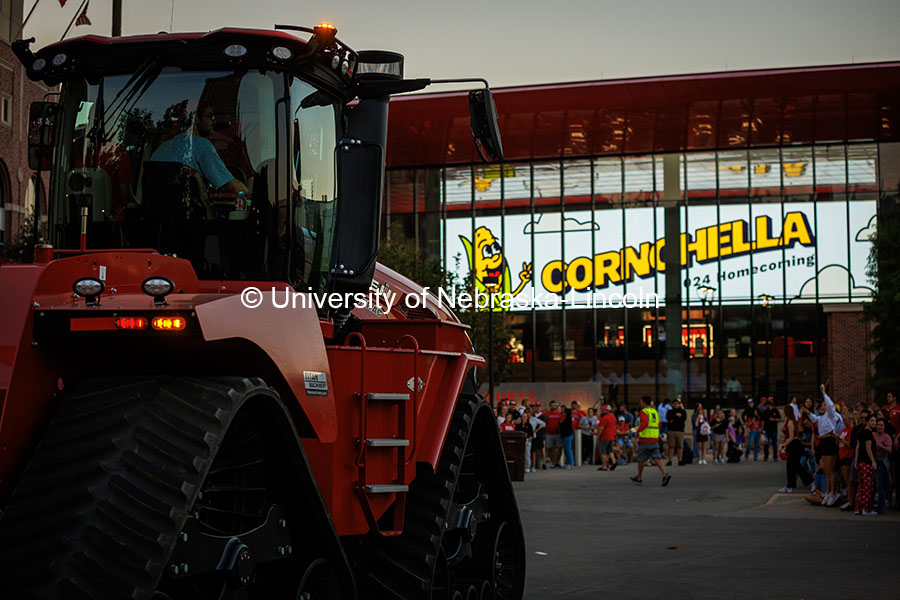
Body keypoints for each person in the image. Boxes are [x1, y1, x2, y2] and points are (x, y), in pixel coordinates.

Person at [150, 104, 250, 195]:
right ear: (196, 118)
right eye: (210, 116)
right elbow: (231, 185)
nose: (214, 121)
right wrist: (251, 197)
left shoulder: (164, 147)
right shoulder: (202, 145)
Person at [630, 396, 671, 486]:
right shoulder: (654, 412)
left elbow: (644, 423)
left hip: (645, 439)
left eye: (641, 402)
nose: (640, 403)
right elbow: (659, 424)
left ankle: (639, 477)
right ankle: (665, 474)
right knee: (657, 458)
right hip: (654, 439)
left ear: (644, 403)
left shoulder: (644, 412)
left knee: (640, 459)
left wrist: (638, 431)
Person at [815, 384, 843, 507]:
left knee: (831, 470)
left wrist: (824, 393)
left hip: (830, 441)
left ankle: (833, 492)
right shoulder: (822, 417)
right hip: (823, 442)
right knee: (826, 470)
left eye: (824, 404)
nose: (823, 406)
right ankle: (827, 491)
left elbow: (831, 405)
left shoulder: (832, 415)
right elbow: (815, 419)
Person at [778, 402, 813, 493]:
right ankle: (793, 484)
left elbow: (791, 437)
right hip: (794, 445)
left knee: (792, 466)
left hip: (794, 445)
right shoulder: (791, 421)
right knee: (795, 466)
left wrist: (783, 445)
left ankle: (792, 485)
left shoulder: (790, 422)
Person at [854, 414, 878, 515]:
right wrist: (873, 461)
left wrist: (856, 461)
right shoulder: (868, 433)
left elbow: (858, 447)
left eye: (875, 421)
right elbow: (868, 448)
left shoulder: (861, 433)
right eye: (872, 421)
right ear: (867, 422)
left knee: (861, 486)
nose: (874, 423)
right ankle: (866, 508)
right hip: (866, 462)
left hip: (860, 462)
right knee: (868, 486)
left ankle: (859, 507)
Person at [873, 418, 893, 512]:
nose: (879, 427)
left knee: (880, 484)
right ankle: (870, 504)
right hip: (871, 460)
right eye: (878, 425)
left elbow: (889, 450)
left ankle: (881, 506)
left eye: (881, 425)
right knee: (871, 484)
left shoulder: (886, 437)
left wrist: (880, 446)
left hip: (881, 461)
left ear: (884, 427)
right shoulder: (872, 435)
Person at [666, 398, 687, 466]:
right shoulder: (670, 411)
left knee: (680, 446)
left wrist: (675, 418)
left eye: (677, 404)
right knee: (671, 446)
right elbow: (669, 419)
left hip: (680, 431)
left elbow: (683, 419)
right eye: (674, 404)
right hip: (671, 430)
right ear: (672, 404)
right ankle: (670, 460)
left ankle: (680, 460)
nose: (676, 405)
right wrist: (676, 416)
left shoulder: (683, 411)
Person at [596, 404, 617, 471]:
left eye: (603, 409)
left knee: (603, 452)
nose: (602, 410)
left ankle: (604, 466)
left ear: (607, 410)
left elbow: (601, 428)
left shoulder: (604, 418)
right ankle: (614, 462)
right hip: (611, 436)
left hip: (604, 437)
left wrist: (598, 435)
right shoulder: (613, 417)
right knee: (610, 450)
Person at [541, 401, 563, 468]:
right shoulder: (546, 414)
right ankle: (553, 462)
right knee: (550, 448)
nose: (553, 406)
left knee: (559, 448)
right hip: (549, 433)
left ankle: (558, 462)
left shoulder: (559, 414)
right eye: (552, 405)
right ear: (549, 406)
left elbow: (562, 421)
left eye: (554, 405)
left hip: (557, 433)